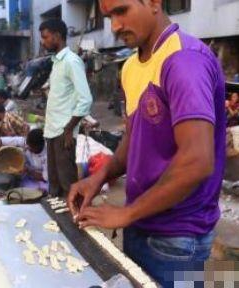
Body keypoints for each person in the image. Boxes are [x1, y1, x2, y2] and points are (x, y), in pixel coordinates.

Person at [67, 1, 226, 286]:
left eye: (122, 11)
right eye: (108, 17)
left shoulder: (184, 60)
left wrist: (126, 212)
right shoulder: (130, 67)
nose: (114, 26)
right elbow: (135, 137)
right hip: (140, 223)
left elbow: (197, 161)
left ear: (154, 2)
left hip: (177, 238)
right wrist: (99, 176)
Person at [39, 19, 93, 197]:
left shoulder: (72, 61)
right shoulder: (56, 62)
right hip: (52, 130)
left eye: (45, 37)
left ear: (57, 36)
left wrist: (69, 128)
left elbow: (85, 99)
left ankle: (74, 221)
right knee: (54, 183)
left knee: (67, 183)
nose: (43, 41)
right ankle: (57, 221)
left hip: (64, 132)